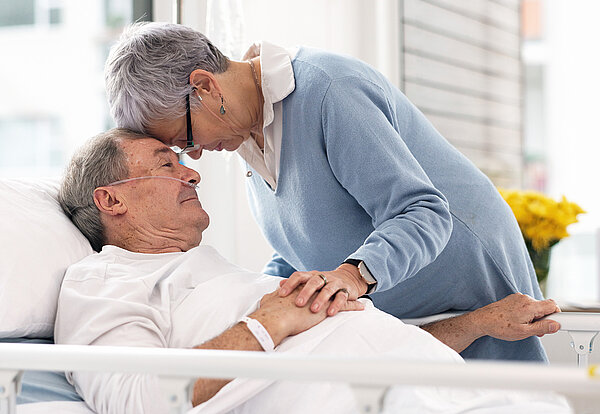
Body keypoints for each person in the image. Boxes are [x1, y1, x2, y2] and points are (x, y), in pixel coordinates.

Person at [103, 23, 548, 362]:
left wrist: (351, 277)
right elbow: (305, 241)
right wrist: (267, 292)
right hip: (396, 312)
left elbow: (425, 212)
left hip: (466, 285)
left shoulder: (328, 90)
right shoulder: (246, 135)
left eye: (186, 138)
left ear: (204, 86)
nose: (195, 157)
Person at [55, 130, 566, 414]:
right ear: (110, 199)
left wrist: (476, 324)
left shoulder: (218, 273)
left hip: (440, 389)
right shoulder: (102, 283)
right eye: (165, 164)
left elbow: (351, 342)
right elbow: (134, 399)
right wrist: (267, 323)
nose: (191, 171)